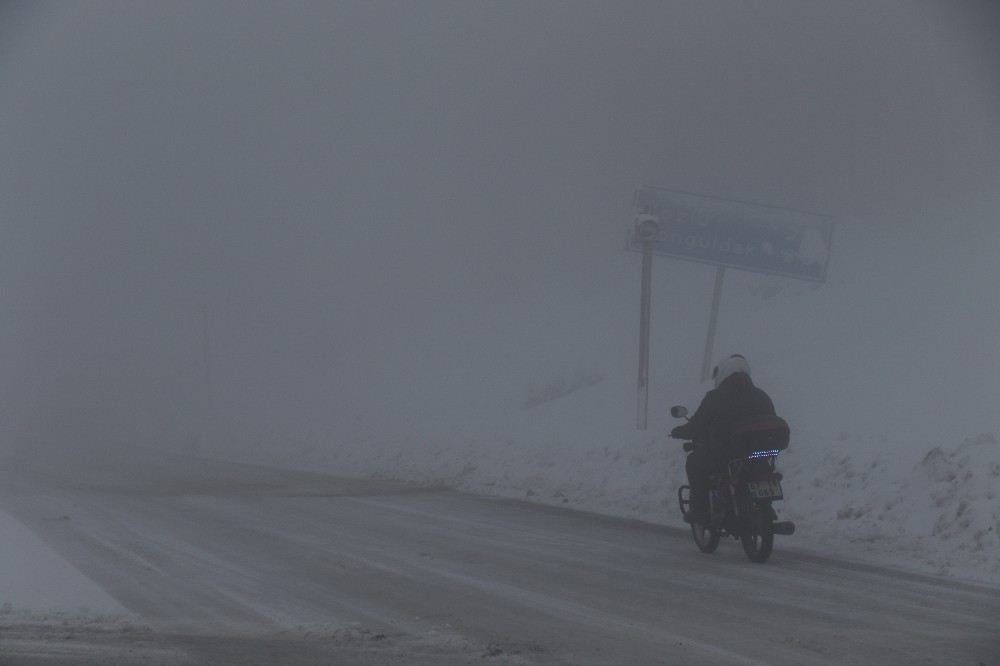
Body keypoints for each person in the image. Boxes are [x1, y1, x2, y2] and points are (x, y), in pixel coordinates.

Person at [670, 354, 776, 525]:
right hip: (758, 454)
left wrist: (678, 431)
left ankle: (700, 511)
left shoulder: (715, 397)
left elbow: (697, 425)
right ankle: (766, 507)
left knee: (694, 462)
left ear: (724, 373)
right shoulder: (762, 396)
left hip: (724, 455)